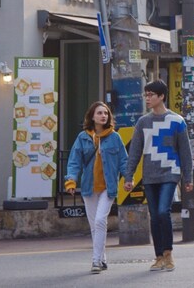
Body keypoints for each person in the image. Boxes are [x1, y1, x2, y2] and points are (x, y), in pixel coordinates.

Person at [124, 80, 193, 273]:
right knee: (154, 216)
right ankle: (159, 256)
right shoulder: (142, 122)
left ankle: (168, 253)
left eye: (151, 95)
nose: (147, 98)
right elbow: (135, 152)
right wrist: (128, 176)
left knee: (163, 211)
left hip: (170, 172)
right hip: (149, 174)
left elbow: (185, 152)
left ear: (161, 96)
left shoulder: (177, 121)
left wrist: (188, 178)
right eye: (146, 95)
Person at [65, 102, 130, 274]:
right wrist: (71, 181)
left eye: (106, 113)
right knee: (94, 225)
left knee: (100, 220)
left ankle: (95, 261)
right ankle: (102, 258)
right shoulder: (83, 137)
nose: (103, 116)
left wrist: (128, 178)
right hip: (88, 187)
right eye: (100, 113)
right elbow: (74, 161)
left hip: (108, 188)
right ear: (92, 116)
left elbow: (124, 160)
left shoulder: (115, 137)